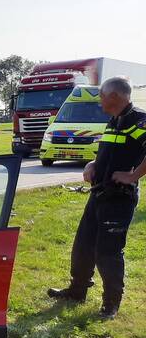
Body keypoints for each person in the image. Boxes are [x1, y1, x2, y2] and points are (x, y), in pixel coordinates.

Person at [47, 76, 146, 319]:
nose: (99, 100)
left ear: (115, 97)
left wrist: (133, 176)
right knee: (83, 245)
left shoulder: (138, 120)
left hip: (119, 199)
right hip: (99, 194)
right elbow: (109, 153)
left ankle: (111, 303)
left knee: (108, 252)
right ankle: (77, 290)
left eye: (101, 95)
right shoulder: (114, 120)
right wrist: (92, 164)